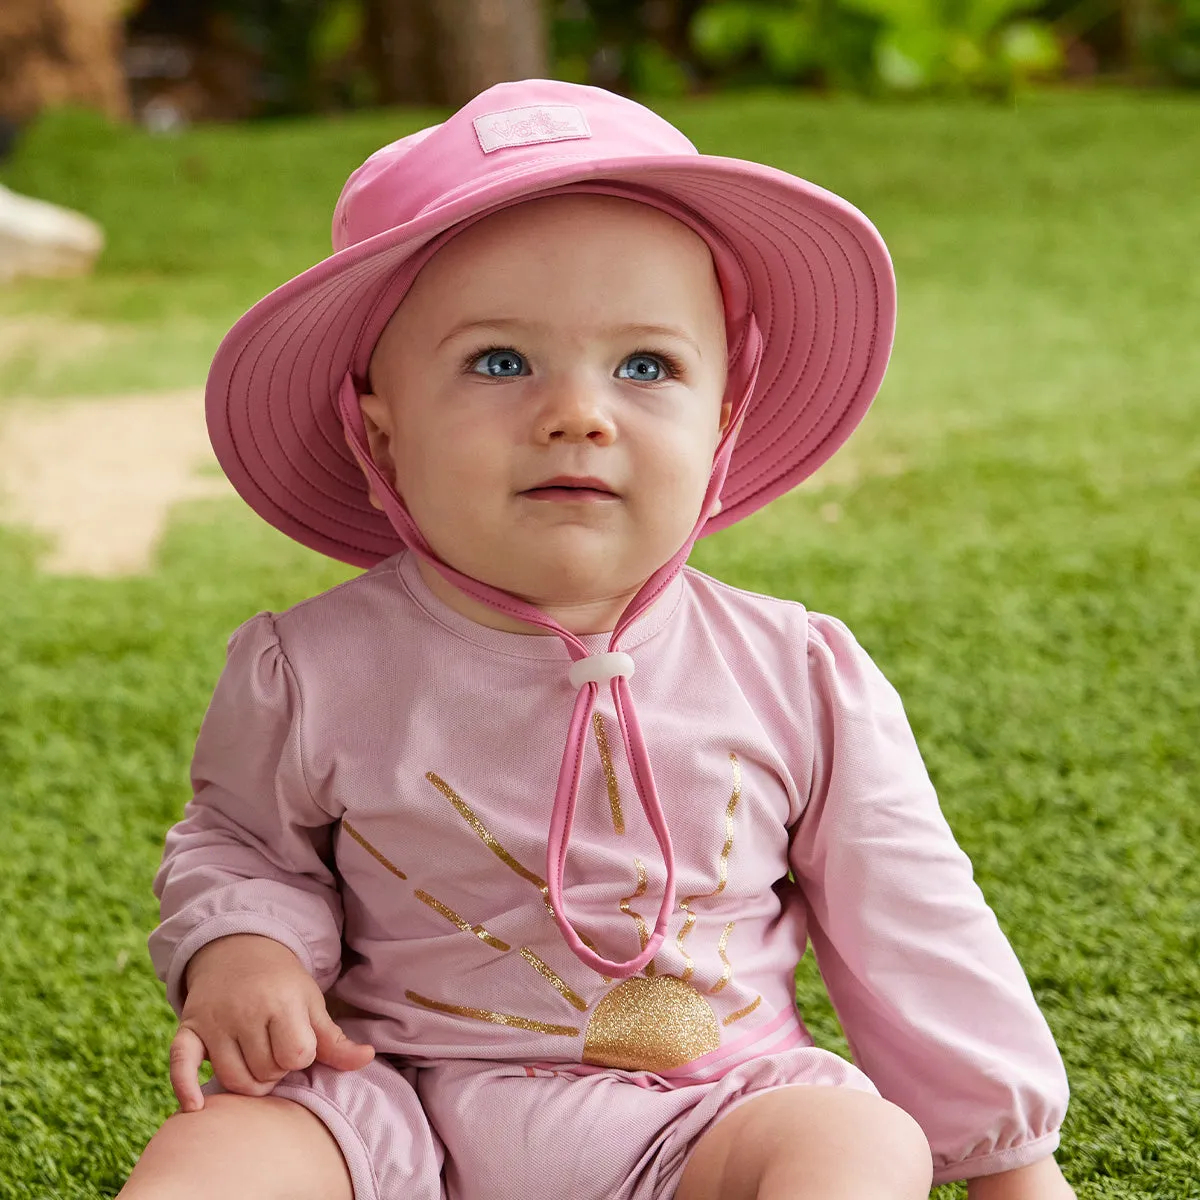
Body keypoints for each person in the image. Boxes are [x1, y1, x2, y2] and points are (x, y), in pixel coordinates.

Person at [120, 79, 1074, 1200]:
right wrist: (244, 948)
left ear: (723, 421)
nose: (580, 412)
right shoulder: (308, 667)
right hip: (390, 1109)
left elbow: (913, 923)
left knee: (854, 1147)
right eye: (499, 361)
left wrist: (1013, 1164)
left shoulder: (796, 672)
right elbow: (241, 845)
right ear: (380, 426)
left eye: (646, 367)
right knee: (221, 1154)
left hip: (708, 1111)